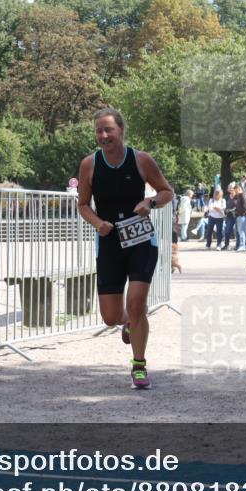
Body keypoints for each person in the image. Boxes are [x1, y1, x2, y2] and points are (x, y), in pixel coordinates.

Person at [76, 107, 174, 390]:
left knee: (136, 304)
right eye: (99, 130)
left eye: (109, 129)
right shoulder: (89, 164)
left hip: (141, 240)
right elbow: (82, 204)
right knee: (110, 318)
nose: (104, 135)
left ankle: (139, 365)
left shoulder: (141, 159)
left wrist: (150, 203)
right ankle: (129, 323)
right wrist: (98, 224)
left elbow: (167, 192)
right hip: (109, 242)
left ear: (120, 130)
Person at [233, 183, 246, 252]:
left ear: (239, 189)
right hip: (241, 216)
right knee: (243, 231)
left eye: (236, 190)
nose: (235, 192)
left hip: (243, 216)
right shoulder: (240, 196)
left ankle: (242, 245)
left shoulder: (243, 196)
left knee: (242, 231)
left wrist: (240, 213)